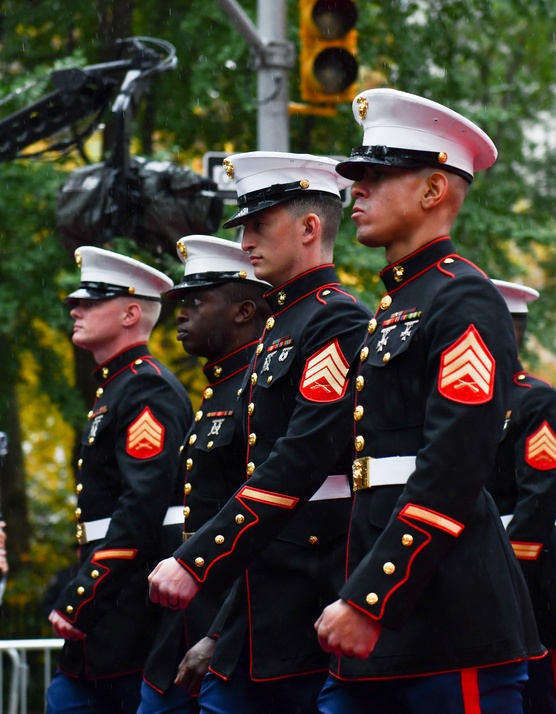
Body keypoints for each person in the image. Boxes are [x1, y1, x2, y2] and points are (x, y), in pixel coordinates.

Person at [313, 87, 543, 713]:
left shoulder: (463, 299)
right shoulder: (395, 307)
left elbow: (453, 468)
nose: (355, 192)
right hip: (378, 613)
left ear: (433, 190)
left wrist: (371, 598)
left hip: (446, 618)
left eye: (376, 177)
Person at [147, 152, 371, 714]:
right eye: (242, 225)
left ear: (309, 227)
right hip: (263, 587)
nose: (245, 238)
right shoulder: (281, 326)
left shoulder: (335, 318)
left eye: (258, 224)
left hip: (312, 583)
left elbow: (299, 458)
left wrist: (198, 559)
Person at [47, 247, 192, 714]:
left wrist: (82, 596)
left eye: (91, 302)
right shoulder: (117, 387)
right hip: (108, 615)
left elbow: (141, 506)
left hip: (130, 614)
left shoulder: (145, 388)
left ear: (132, 312)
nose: (76, 309)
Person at [138, 235, 270, 713]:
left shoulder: (257, 390)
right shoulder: (218, 389)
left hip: (239, 623)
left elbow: (268, 520)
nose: (181, 313)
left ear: (243, 311)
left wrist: (221, 632)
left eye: (197, 301)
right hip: (190, 619)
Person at [489, 279, 556, 714]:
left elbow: (538, 501)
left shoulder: (534, 400)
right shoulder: (463, 398)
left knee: (548, 700)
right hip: (480, 567)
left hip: (530, 572)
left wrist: (503, 573)